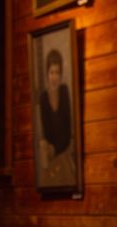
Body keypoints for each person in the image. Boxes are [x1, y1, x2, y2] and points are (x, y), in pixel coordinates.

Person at [38, 48, 74, 183]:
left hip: (63, 150)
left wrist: (55, 149)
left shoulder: (64, 92)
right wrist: (49, 149)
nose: (54, 77)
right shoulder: (43, 99)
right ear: (47, 74)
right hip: (51, 153)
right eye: (51, 72)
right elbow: (47, 134)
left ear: (61, 74)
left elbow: (67, 134)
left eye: (57, 73)